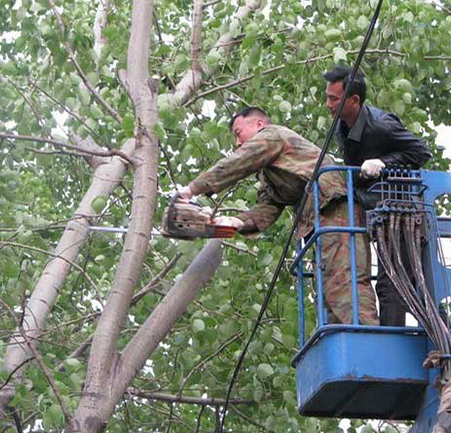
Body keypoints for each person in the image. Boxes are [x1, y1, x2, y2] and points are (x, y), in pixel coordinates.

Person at [177, 106, 378, 326]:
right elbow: (268, 208)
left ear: (259, 124)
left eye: (238, 133)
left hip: (335, 209)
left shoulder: (272, 135)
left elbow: (236, 163)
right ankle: (343, 339)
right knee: (327, 289)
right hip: (320, 219)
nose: (237, 142)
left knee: (343, 281)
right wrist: (236, 222)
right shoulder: (270, 173)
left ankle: (367, 336)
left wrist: (191, 190)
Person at [323, 65, 432, 326]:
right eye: (327, 97)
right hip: (375, 210)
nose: (328, 104)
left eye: (334, 99)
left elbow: (421, 152)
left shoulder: (381, 125)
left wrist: (384, 163)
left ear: (354, 100)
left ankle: (391, 344)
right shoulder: (342, 126)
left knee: (391, 284)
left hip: (400, 212)